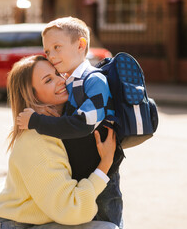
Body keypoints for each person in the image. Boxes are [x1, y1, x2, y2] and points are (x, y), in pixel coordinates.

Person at [0, 55, 119, 229]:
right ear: (32, 95)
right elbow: (71, 209)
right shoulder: (37, 141)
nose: (61, 80)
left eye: (58, 73)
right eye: (48, 80)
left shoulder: (61, 125)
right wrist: (105, 164)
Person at [17, 17, 124, 228]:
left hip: (103, 176)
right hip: (85, 175)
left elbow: (81, 124)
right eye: (48, 51)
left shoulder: (94, 80)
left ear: (81, 45)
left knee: (108, 222)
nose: (52, 56)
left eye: (57, 47)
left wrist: (36, 121)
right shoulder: (70, 82)